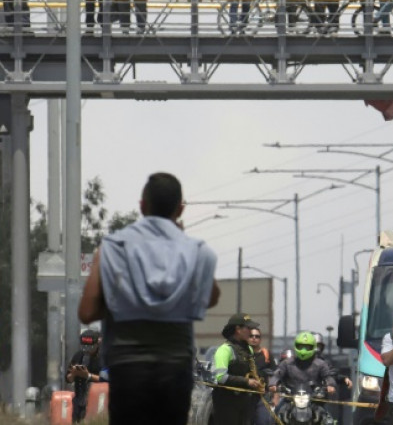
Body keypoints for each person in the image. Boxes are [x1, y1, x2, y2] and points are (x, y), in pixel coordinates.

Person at [78, 172, 220, 425]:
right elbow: (210, 297)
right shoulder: (197, 251)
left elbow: (87, 311)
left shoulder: (113, 248)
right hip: (175, 367)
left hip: (127, 367)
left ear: (142, 206)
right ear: (180, 209)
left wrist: (124, 302)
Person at [268, 331, 337, 420]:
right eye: (301, 346)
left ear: (313, 347)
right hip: (290, 400)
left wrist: (330, 385)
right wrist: (273, 384)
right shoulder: (287, 363)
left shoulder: (321, 364)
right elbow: (277, 375)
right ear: (295, 346)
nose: (303, 350)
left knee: (328, 419)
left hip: (314, 401)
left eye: (307, 347)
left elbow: (328, 376)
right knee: (276, 415)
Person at [212, 314, 263, 425]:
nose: (250, 331)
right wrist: (247, 381)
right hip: (226, 404)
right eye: (248, 328)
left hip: (245, 403)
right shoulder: (224, 350)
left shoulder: (248, 349)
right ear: (238, 330)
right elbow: (220, 377)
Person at [65, 329, 104, 423]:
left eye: (90, 347)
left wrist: (88, 376)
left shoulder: (102, 358)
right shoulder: (78, 356)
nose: (86, 349)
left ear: (96, 345)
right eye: (84, 346)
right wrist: (74, 374)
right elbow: (68, 379)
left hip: (96, 399)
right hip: (79, 399)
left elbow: (105, 380)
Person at [247, 325, 276, 425]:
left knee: (264, 421)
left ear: (260, 339)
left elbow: (275, 374)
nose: (254, 338)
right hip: (245, 396)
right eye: (251, 336)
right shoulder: (243, 354)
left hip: (262, 396)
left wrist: (274, 390)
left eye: (257, 336)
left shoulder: (266, 354)